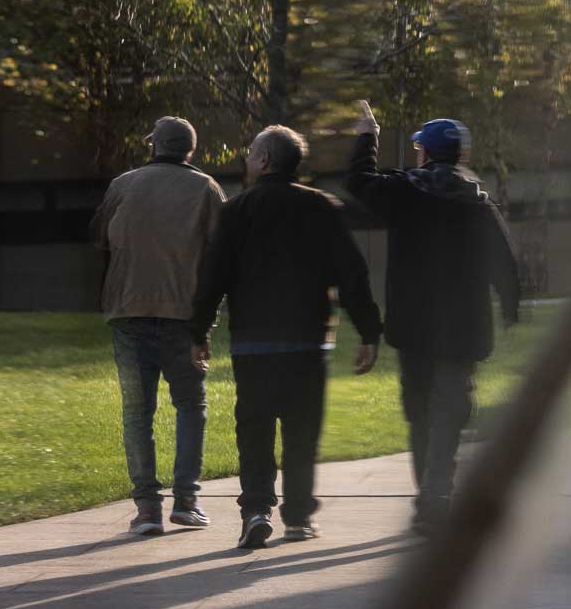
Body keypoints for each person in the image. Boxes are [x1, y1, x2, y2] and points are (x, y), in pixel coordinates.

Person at [190, 125, 382, 549]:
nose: (247, 156)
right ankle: (297, 517)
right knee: (301, 431)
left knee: (254, 429)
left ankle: (256, 510)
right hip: (307, 341)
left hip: (253, 343)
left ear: (263, 161)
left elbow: (212, 276)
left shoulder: (237, 210)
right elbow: (352, 273)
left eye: (252, 151)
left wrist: (199, 330)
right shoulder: (321, 207)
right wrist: (369, 331)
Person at [346, 101, 520, 535]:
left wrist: (368, 135)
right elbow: (505, 262)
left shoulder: (404, 191)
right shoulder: (478, 202)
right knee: (449, 412)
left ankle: (430, 494)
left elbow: (358, 182)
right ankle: (436, 495)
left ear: (425, 153)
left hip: (414, 327)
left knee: (421, 413)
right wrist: (510, 307)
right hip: (462, 329)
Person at [89, 116, 226, 536]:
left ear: (154, 145)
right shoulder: (206, 189)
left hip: (128, 312)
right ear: (190, 149)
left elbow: (98, 238)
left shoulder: (123, 185)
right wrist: (206, 327)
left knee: (137, 411)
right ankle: (186, 501)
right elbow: (220, 260)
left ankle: (147, 509)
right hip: (183, 316)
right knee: (190, 406)